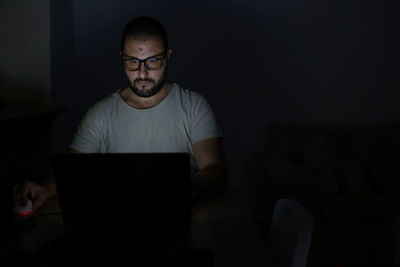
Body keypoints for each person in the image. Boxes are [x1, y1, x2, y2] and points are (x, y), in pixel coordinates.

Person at [13, 16, 228, 213]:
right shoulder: (101, 113)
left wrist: (190, 189)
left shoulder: (194, 106)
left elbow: (214, 168)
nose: (142, 73)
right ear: (122, 58)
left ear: (168, 56)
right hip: (115, 224)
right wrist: (44, 188)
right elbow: (71, 170)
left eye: (153, 61)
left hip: (178, 216)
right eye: (132, 62)